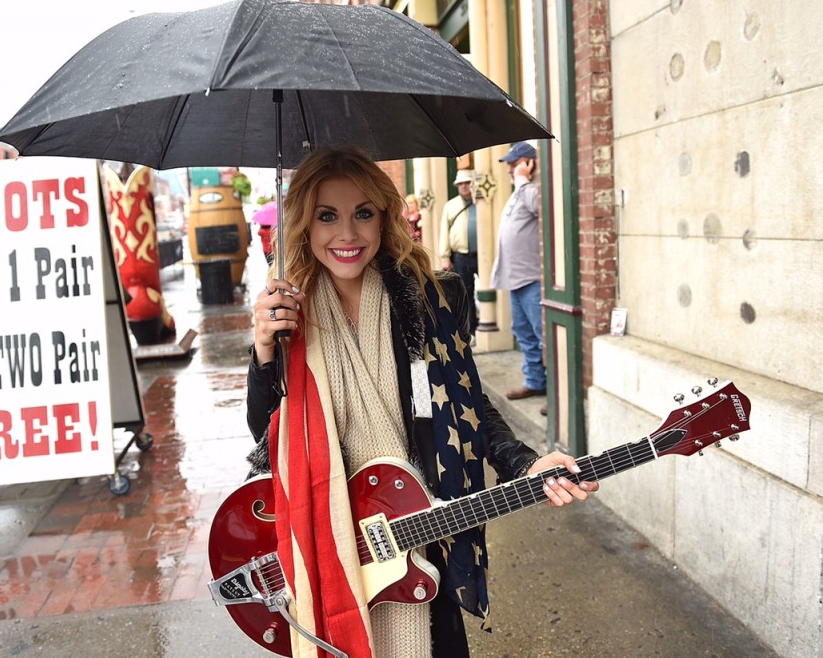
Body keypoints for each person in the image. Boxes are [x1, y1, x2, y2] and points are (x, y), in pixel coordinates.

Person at [246, 147, 597, 658]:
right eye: (328, 216)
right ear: (304, 224)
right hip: (330, 550)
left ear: (384, 218)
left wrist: (525, 463)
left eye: (363, 213)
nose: (347, 234)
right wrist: (262, 352)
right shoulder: (286, 312)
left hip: (422, 540)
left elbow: (469, 404)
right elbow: (264, 435)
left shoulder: (426, 298)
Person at [491, 141, 547, 401]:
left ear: (529, 163)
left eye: (515, 164)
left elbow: (540, 208)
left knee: (542, 336)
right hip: (517, 278)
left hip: (532, 277)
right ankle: (535, 381)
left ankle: (554, 392)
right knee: (524, 333)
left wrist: (523, 180)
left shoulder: (532, 189)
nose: (510, 170)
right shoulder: (519, 191)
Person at [438, 170, 479, 331]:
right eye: (460, 184)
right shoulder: (451, 205)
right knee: (466, 293)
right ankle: (471, 329)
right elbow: (444, 231)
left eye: (467, 183)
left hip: (482, 255)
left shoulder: (481, 202)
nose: (464, 186)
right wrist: (444, 256)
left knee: (489, 290)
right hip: (461, 256)